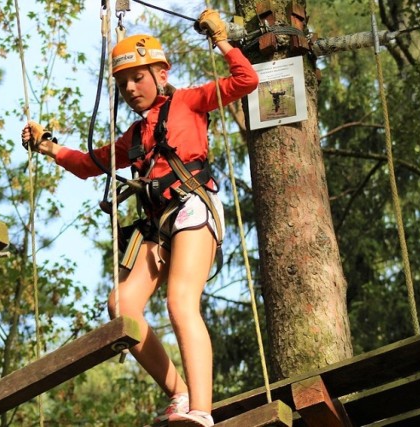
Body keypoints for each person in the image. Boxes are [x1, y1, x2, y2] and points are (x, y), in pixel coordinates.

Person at [22, 9, 258, 427]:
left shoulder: (189, 102)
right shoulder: (133, 137)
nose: (130, 88)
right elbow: (87, 164)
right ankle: (179, 393)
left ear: (161, 74)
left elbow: (246, 81)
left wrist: (222, 41)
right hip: (160, 224)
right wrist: (48, 147)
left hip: (193, 206)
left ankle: (202, 412)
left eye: (139, 78)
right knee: (123, 305)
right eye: (123, 83)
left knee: (181, 301)